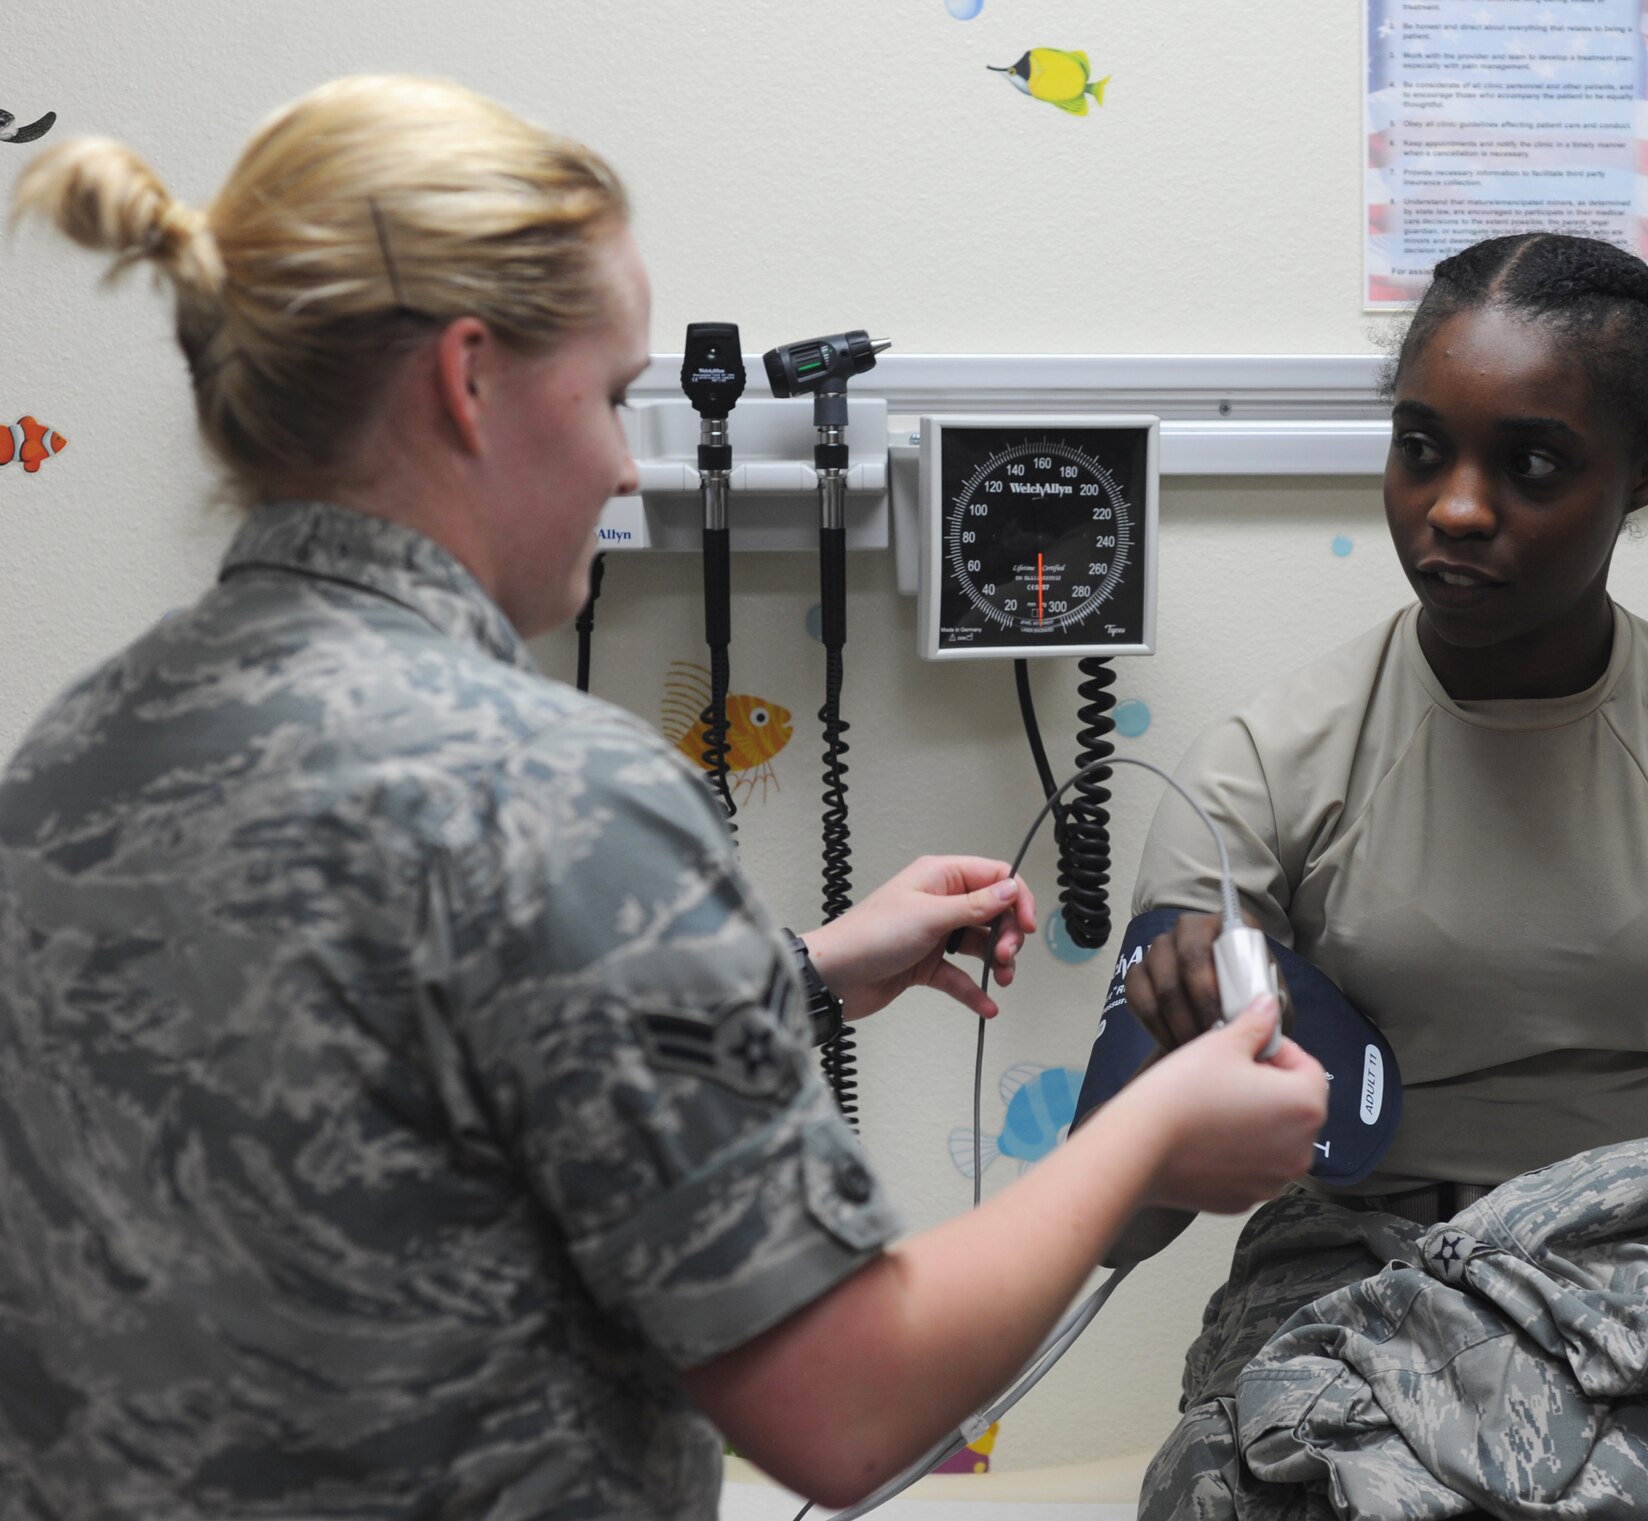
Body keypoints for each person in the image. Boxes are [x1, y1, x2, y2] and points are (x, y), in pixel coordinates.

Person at [0, 75, 1330, 1518]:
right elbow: (844, 1405)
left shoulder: (68, 756)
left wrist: (788, 974)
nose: (629, 461)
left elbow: (356, 1071)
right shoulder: (553, 793)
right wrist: (1149, 1131)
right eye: (616, 394)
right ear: (467, 380)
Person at [1123, 233, 1648, 1520]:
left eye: (1530, 462)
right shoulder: (1263, 774)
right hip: (1347, 1290)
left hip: (1644, 1294)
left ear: (1645, 472)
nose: (1453, 507)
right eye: (1419, 446)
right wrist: (1159, 1072)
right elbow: (1133, 1214)